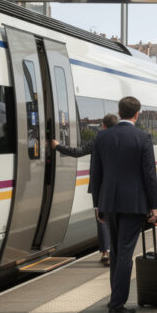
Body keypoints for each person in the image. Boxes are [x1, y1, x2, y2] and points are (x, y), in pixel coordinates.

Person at [89, 96, 157, 313]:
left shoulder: (102, 137)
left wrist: (97, 205)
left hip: (109, 203)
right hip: (134, 204)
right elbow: (149, 175)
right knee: (125, 254)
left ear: (119, 112)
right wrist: (153, 206)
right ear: (137, 114)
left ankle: (114, 298)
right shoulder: (143, 138)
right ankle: (117, 306)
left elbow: (96, 174)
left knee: (117, 252)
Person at [53, 113, 119, 265]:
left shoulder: (98, 139)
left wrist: (57, 146)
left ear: (103, 125)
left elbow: (78, 152)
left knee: (102, 218)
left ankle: (105, 253)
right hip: (119, 185)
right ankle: (117, 251)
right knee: (117, 217)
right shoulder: (122, 139)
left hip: (101, 185)